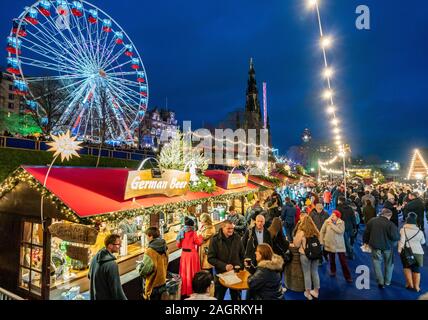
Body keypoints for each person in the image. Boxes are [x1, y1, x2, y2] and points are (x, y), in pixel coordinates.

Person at [363, 208, 400, 288]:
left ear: (381, 213)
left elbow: (366, 233)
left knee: (376, 262)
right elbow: (396, 237)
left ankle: (380, 282)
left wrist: (365, 242)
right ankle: (387, 281)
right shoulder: (391, 224)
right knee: (389, 264)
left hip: (375, 246)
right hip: (387, 247)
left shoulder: (372, 221)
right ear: (389, 216)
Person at [207, 220, 245, 300]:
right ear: (223, 228)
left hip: (236, 274)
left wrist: (241, 267)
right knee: (219, 297)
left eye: (232, 228)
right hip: (221, 275)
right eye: (228, 228)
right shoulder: (215, 240)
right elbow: (210, 258)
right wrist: (224, 266)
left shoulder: (237, 237)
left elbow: (242, 254)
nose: (231, 230)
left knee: (237, 298)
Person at [291, 215, 321, 300]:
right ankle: (316, 292)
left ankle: (308, 293)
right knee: (315, 272)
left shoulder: (301, 231)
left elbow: (296, 244)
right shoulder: (316, 231)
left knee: (306, 273)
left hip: (305, 255)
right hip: (316, 254)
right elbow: (320, 241)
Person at [88, 234, 127, 300]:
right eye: (118, 244)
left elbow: (89, 275)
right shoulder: (111, 264)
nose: (120, 246)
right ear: (110, 246)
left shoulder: (94, 258)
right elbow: (116, 290)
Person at [319, 210, 353, 283]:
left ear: (337, 217)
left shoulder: (341, 222)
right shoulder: (326, 222)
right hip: (329, 243)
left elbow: (340, 231)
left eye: (334, 215)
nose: (332, 216)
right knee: (332, 259)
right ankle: (333, 271)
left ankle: (348, 276)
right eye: (332, 215)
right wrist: (321, 241)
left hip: (339, 245)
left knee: (343, 261)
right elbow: (322, 231)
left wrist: (332, 225)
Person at [137, 227, 168, 300]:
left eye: (146, 236)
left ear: (150, 236)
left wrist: (139, 267)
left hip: (153, 285)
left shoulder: (150, 251)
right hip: (162, 282)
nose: (146, 238)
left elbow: (145, 270)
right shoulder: (164, 247)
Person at [398, 212, 425, 292]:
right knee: (416, 269)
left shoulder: (403, 230)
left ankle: (410, 284)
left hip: (406, 251)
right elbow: (423, 242)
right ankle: (417, 287)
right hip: (418, 252)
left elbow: (402, 241)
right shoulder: (420, 231)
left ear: (407, 220)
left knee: (406, 267)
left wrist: (399, 250)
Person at [176, 217, 203, 297]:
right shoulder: (193, 233)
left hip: (184, 255)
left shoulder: (180, 233)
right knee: (193, 273)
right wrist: (201, 236)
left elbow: (178, 245)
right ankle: (193, 290)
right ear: (192, 225)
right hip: (192, 255)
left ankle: (185, 291)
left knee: (184, 274)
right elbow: (199, 243)